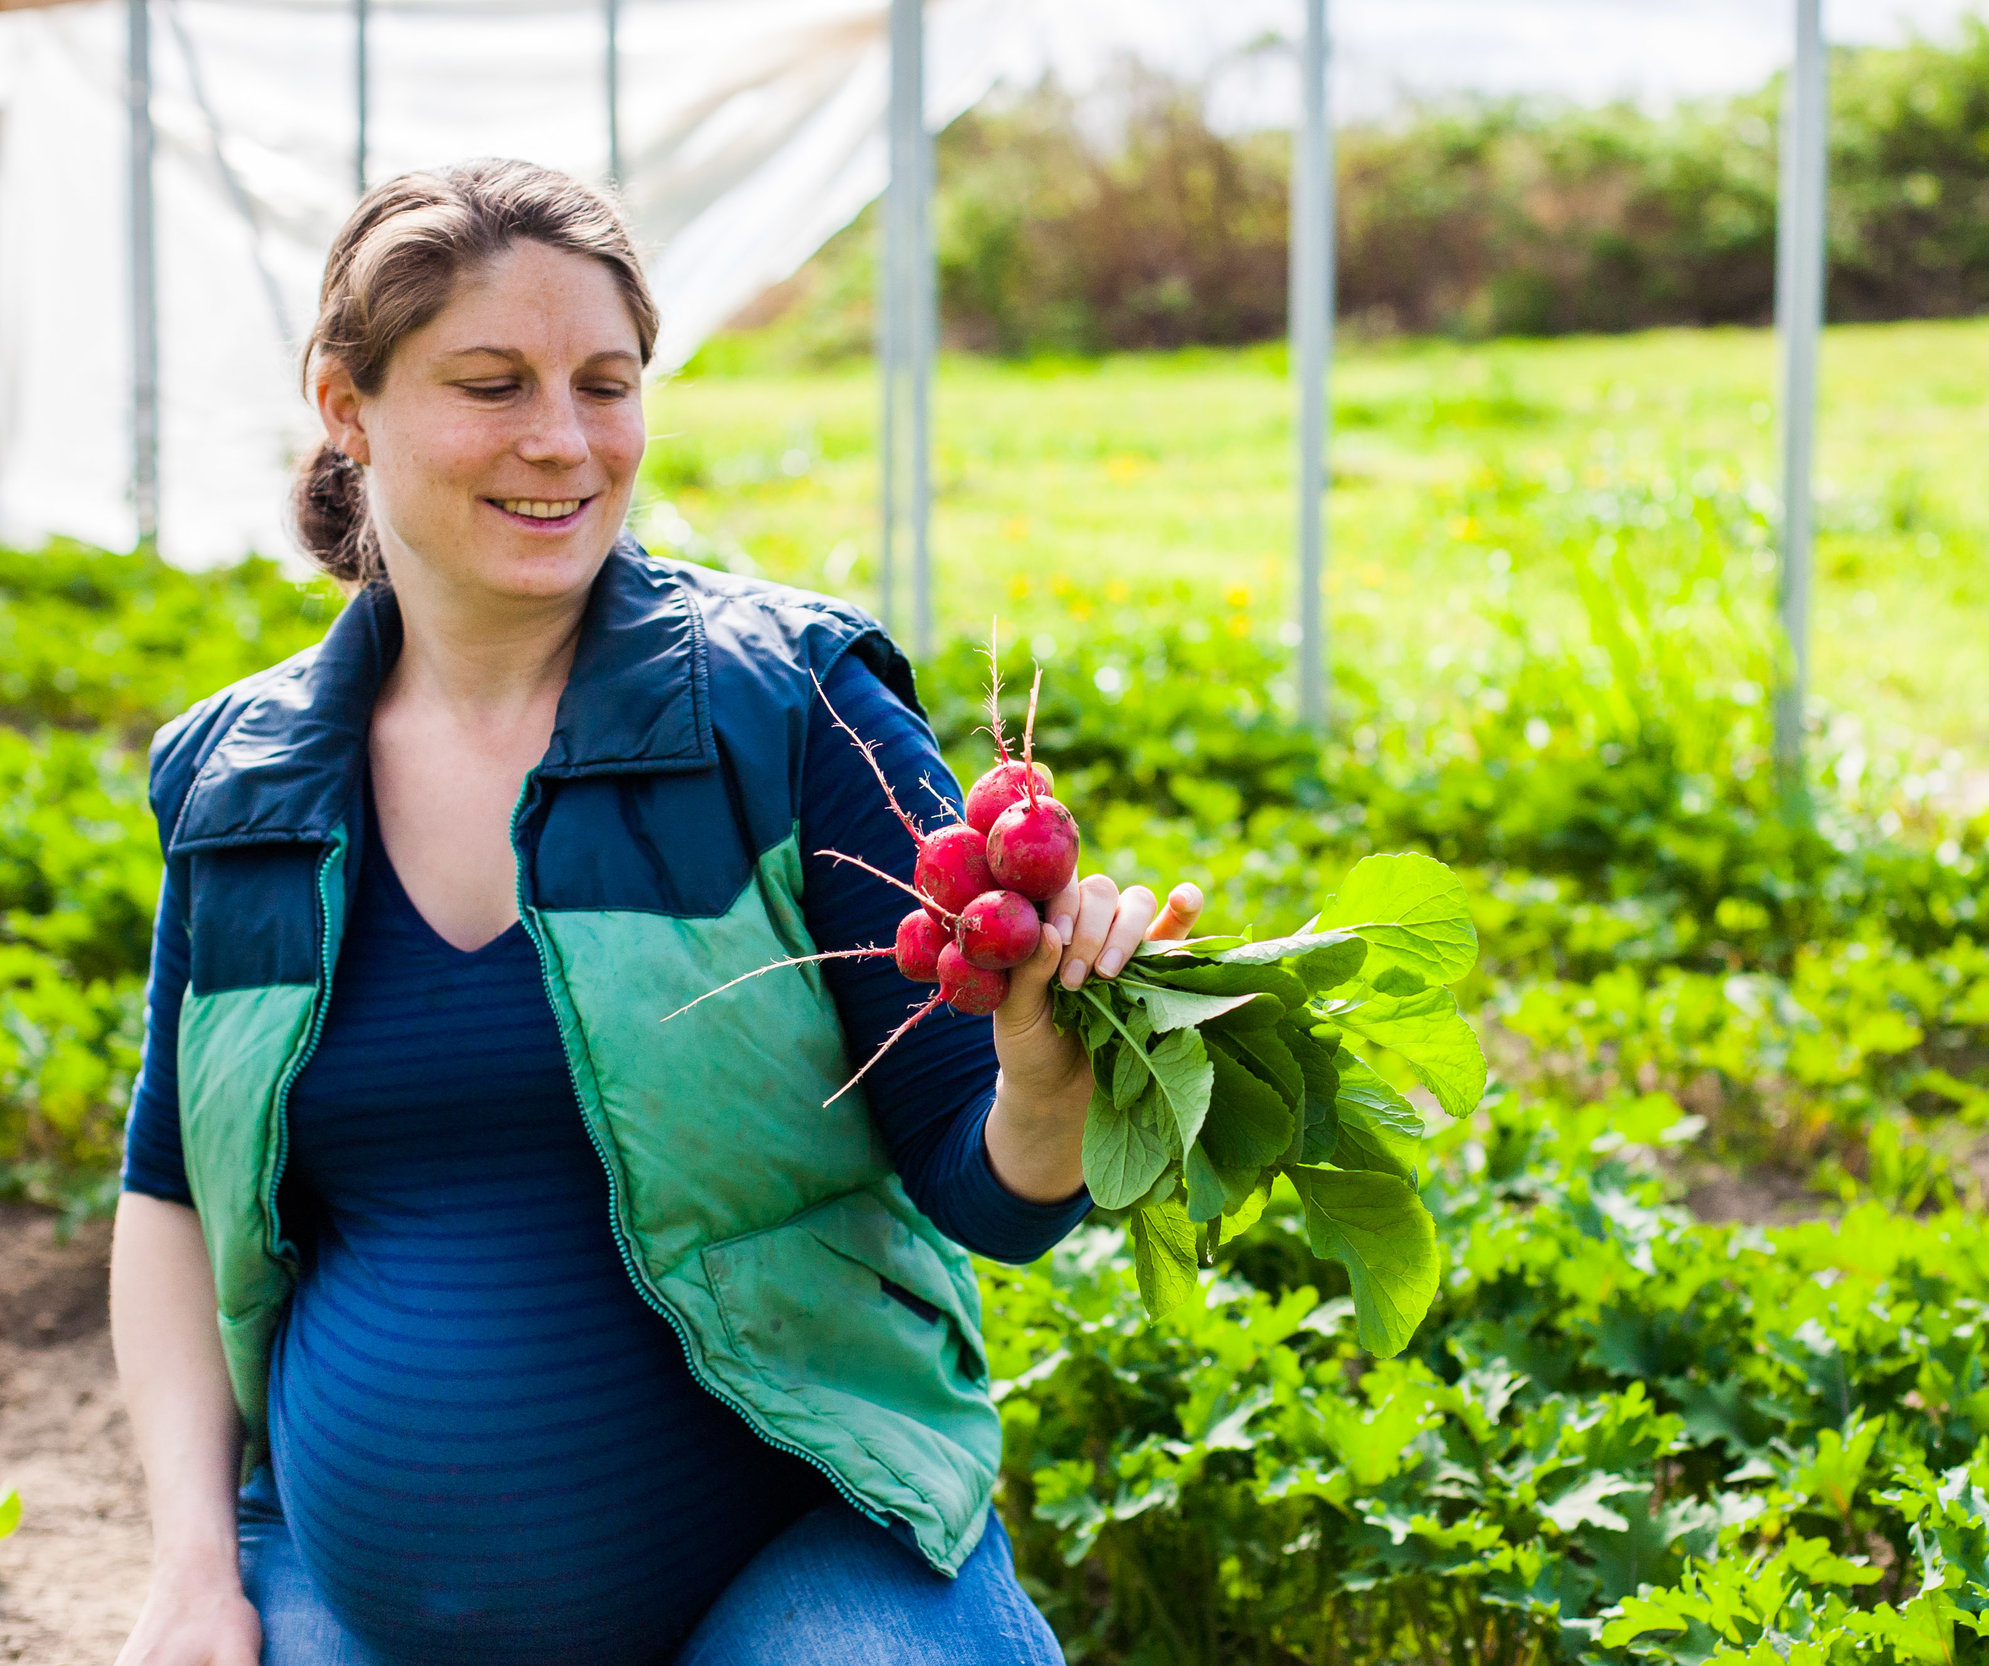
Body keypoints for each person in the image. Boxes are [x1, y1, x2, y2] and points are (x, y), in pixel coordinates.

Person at [108, 159, 1195, 1666]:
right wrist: (188, 1567)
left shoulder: (791, 708)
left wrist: (1048, 1081)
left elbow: (986, 1185)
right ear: (345, 404)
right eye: (492, 384)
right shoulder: (244, 783)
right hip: (339, 1582)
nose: (562, 442)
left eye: (604, 384)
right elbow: (169, 1193)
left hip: (791, 1557)